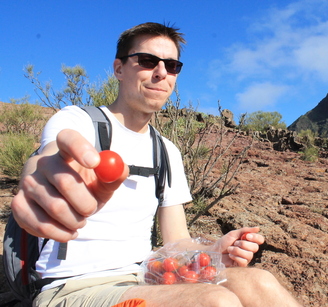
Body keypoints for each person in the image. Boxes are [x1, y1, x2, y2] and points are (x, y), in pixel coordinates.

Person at [11, 22, 301, 307]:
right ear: (119, 69)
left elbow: (177, 240)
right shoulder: (78, 121)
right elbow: (47, 159)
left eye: (172, 66)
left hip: (144, 278)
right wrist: (39, 177)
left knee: (260, 282)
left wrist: (215, 248)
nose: (162, 72)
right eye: (148, 61)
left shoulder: (166, 151)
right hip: (72, 286)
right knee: (216, 301)